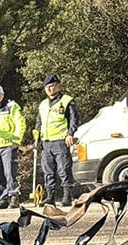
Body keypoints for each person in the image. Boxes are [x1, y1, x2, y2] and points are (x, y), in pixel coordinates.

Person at [36, 74, 80, 206]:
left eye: (52, 86)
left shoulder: (66, 101)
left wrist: (70, 134)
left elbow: (74, 119)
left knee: (64, 168)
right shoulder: (43, 104)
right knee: (48, 170)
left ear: (58, 86)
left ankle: (67, 196)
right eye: (47, 87)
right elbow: (39, 122)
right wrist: (36, 138)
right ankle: (50, 196)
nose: (49, 89)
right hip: (46, 142)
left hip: (61, 140)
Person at [0, 85, 27, 209]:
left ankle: (14, 196)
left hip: (8, 145)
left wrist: (16, 139)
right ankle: (3, 198)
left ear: (3, 95)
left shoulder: (11, 106)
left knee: (10, 172)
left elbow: (20, 123)